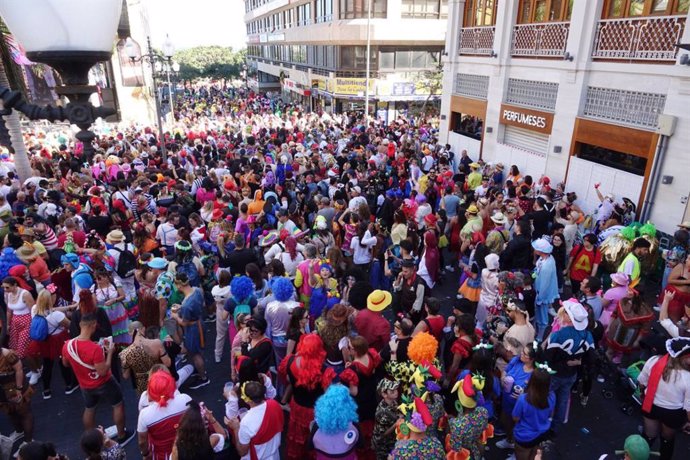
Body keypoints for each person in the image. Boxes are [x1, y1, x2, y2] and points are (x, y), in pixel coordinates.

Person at [61, 313, 135, 446]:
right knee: (117, 404)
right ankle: (122, 435)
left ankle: (93, 438)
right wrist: (110, 353)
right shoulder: (94, 349)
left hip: (85, 385)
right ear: (93, 325)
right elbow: (103, 371)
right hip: (104, 382)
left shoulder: (68, 345)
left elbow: (66, 364)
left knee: (90, 408)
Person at [543, 300, 594, 434]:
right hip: (571, 375)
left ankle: (541, 423)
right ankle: (555, 429)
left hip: (554, 374)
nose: (563, 313)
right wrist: (577, 362)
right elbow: (591, 359)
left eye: (565, 312)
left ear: (569, 317)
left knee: (544, 398)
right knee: (563, 401)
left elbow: (548, 357)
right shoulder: (588, 336)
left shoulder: (558, 335)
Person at [637, 337, 690, 460]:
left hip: (650, 406)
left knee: (648, 437)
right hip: (673, 414)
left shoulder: (654, 361)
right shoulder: (688, 377)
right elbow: (688, 408)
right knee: (667, 439)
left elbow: (641, 383)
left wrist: (642, 395)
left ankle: (637, 456)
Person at [136, 370, 191, 460]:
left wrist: (145, 454)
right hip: (189, 448)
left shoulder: (145, 414)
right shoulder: (185, 399)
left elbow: (142, 442)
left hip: (162, 455)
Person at [226, 380, 283, 460]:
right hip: (275, 454)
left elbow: (242, 452)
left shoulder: (246, 422)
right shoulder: (274, 404)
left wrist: (236, 429)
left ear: (247, 400)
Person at [170, 272, 209, 389]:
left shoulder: (187, 304)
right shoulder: (197, 290)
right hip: (199, 323)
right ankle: (200, 371)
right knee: (198, 350)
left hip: (193, 329)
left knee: (195, 354)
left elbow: (184, 322)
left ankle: (203, 378)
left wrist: (175, 316)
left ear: (179, 285)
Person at [512, 367, 556, 460]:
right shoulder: (552, 396)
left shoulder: (523, 399)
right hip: (543, 433)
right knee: (534, 455)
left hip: (524, 436)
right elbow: (551, 414)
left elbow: (515, 418)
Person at [447, 373, 491, 460]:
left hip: (465, 456)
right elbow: (481, 435)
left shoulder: (457, 425)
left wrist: (450, 426)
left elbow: (456, 449)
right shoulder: (483, 412)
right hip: (476, 451)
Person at [119, 321, 171, 395]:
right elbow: (168, 363)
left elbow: (125, 375)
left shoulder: (125, 353)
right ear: (143, 329)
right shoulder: (157, 343)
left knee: (146, 403)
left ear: (130, 333)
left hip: (142, 386)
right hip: (158, 378)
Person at [311, 383, 360, 460]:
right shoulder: (354, 425)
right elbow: (360, 444)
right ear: (348, 404)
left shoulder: (316, 426)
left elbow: (311, 446)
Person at [0, 346, 34, 451]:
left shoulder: (8, 354)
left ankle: (28, 441)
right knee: (10, 411)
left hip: (15, 388)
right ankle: (19, 431)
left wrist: (19, 389)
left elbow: (19, 369)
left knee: (24, 412)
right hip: (2, 392)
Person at [532, 238, 559, 340]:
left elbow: (545, 284)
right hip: (538, 290)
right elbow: (537, 270)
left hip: (542, 294)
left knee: (542, 317)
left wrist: (540, 298)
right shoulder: (544, 258)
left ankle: (540, 337)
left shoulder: (548, 265)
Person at [3, 276, 36, 360]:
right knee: (14, 346)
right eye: (4, 287)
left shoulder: (25, 294)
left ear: (14, 285)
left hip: (27, 321)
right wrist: (7, 324)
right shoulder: (7, 294)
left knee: (23, 346)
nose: (5, 289)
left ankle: (36, 368)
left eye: (7, 287)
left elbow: (33, 310)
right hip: (15, 322)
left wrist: (34, 325)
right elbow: (9, 311)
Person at [371, 378, 400, 460]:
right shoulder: (382, 412)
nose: (396, 392)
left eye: (396, 389)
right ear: (384, 394)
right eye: (392, 391)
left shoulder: (393, 401)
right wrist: (396, 424)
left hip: (392, 440)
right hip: (383, 445)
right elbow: (382, 434)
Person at [392, 259, 428, 324]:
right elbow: (397, 288)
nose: (403, 273)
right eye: (402, 271)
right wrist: (399, 278)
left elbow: (418, 303)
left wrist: (409, 315)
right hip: (404, 308)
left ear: (412, 270)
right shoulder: (404, 277)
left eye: (406, 271)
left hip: (413, 314)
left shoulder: (420, 284)